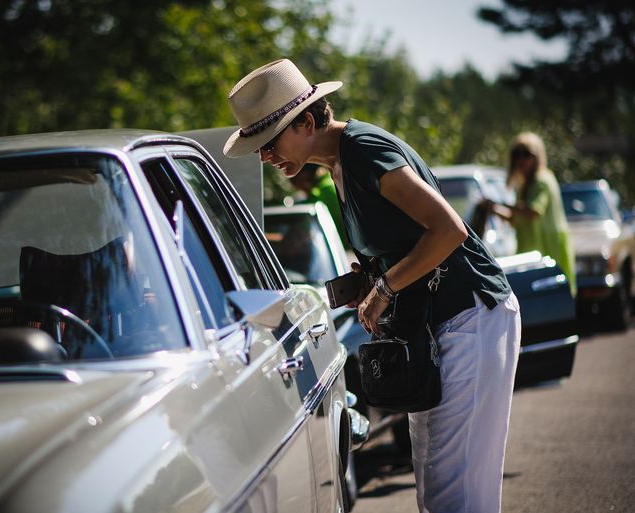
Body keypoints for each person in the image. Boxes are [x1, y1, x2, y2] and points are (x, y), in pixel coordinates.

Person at [223, 59, 521, 513]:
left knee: (453, 492)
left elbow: (449, 230)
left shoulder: (363, 149)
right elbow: (395, 251)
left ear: (306, 121)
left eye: (268, 141)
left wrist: (383, 290)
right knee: (437, 484)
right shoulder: (340, 164)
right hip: (437, 329)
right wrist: (335, 293)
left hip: (470, 316)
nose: (264, 156)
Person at [488, 132, 576, 295]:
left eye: (526, 154)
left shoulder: (542, 180)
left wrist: (500, 204)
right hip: (531, 248)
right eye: (518, 154)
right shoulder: (525, 185)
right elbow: (517, 219)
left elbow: (533, 211)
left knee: (553, 297)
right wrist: (493, 209)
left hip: (548, 247)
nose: (522, 160)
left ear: (536, 156)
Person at [288, 163, 349, 247]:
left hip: (343, 250)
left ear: (304, 175)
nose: (294, 186)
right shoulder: (325, 187)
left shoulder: (327, 190)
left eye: (294, 180)